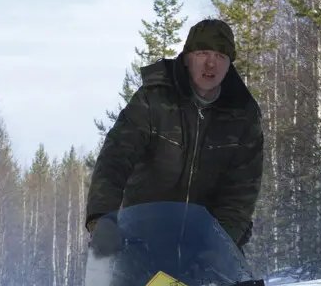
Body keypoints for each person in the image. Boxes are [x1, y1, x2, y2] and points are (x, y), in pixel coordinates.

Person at [86, 18, 263, 249]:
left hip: (207, 250)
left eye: (220, 57)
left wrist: (221, 245)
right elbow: (115, 159)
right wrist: (102, 219)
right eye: (203, 53)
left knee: (239, 281)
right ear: (187, 57)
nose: (211, 64)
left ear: (229, 65)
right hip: (141, 242)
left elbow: (240, 194)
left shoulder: (243, 115)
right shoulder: (153, 99)